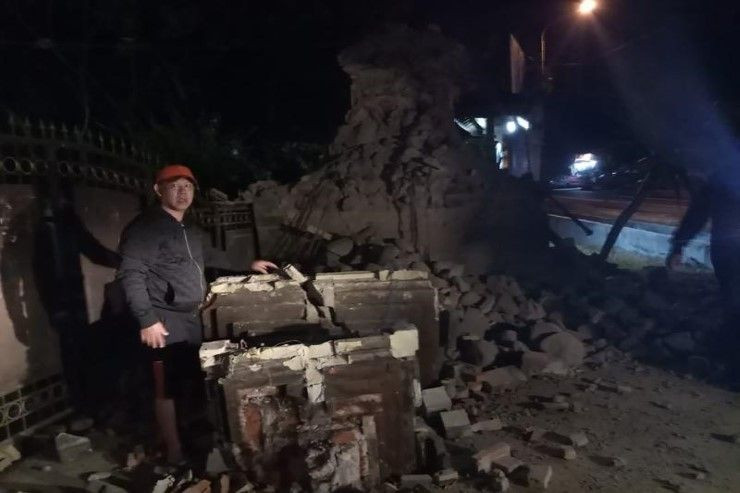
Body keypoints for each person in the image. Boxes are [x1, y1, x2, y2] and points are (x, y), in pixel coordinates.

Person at [116, 164, 276, 463]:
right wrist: (147, 320)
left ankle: (194, 436)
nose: (183, 192)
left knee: (191, 377)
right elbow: (131, 274)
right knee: (165, 385)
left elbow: (211, 255)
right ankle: (174, 450)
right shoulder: (145, 229)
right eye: (174, 186)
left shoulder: (189, 228)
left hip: (192, 316)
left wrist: (248, 263)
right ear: (158, 190)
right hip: (164, 319)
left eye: (188, 186)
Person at [667, 166, 740, 380]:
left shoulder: (722, 175)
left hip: (727, 249)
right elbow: (698, 213)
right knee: (734, 304)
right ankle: (732, 367)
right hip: (730, 251)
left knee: (733, 304)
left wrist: (678, 245)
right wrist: (678, 245)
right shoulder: (723, 177)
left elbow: (698, 212)